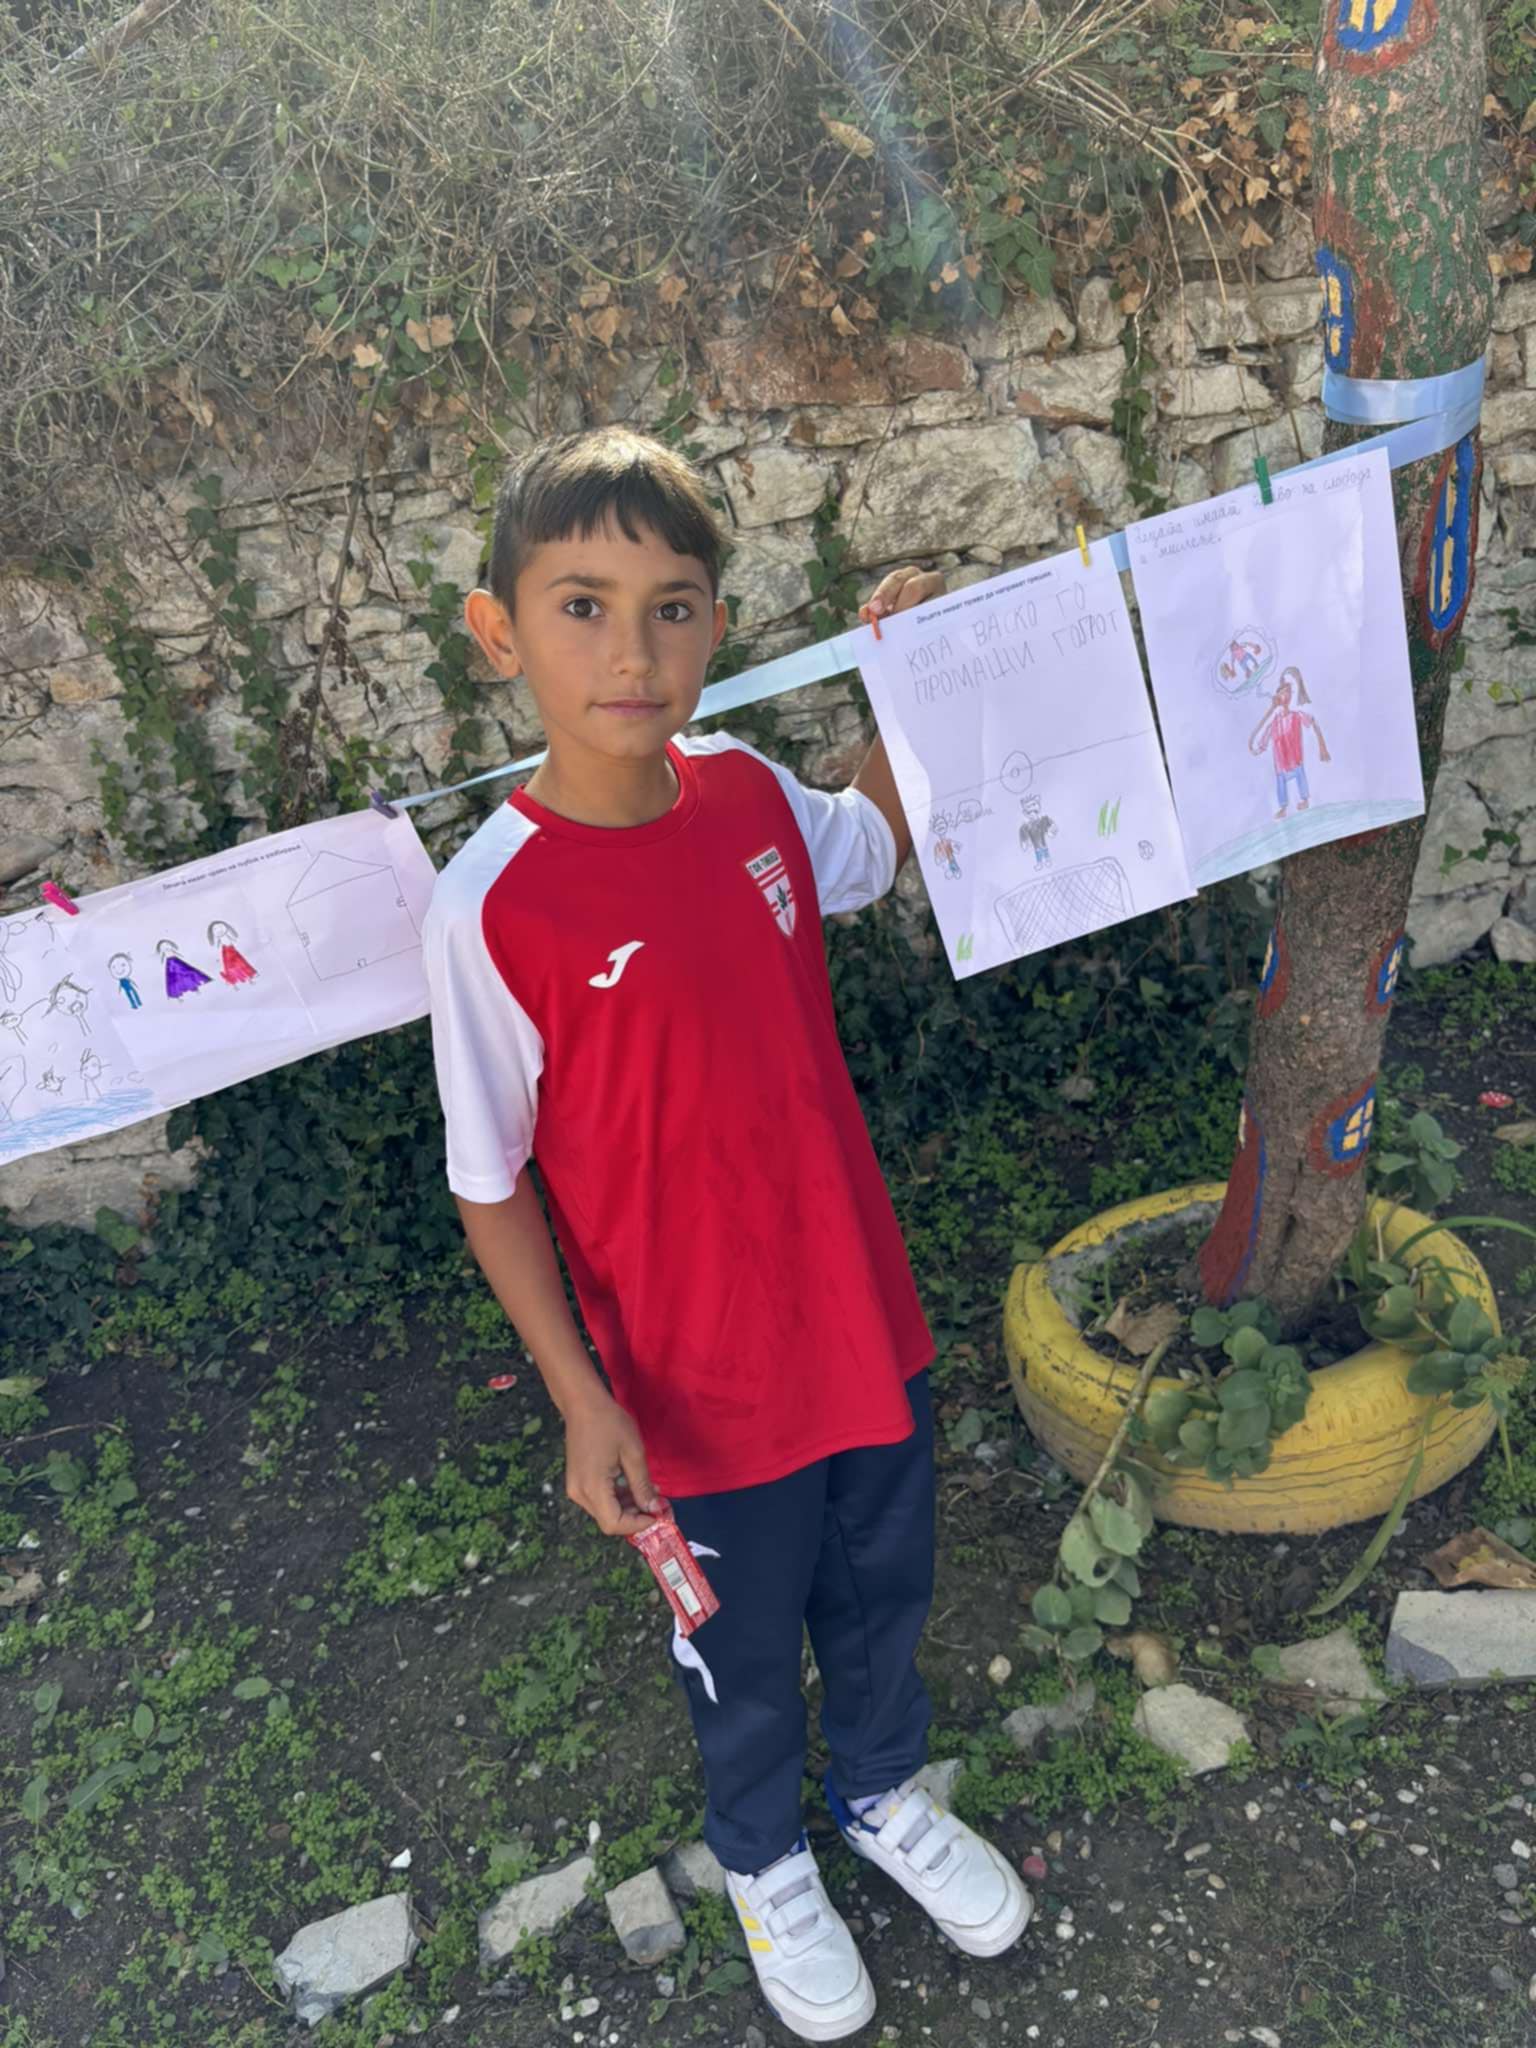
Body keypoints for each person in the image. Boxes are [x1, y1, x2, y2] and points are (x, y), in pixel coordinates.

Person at [422, 427, 1031, 2043]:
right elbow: (489, 1180)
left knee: (884, 1589)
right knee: (741, 1648)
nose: (632, 652)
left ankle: (884, 1793)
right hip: (693, 1392)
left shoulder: (752, 793)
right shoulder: (491, 904)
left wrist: (908, 679)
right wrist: (582, 1399)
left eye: (672, 607)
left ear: (715, 623)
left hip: (860, 1323)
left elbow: (871, 847)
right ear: (499, 632)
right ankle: (763, 1855)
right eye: (582, 605)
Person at [1248, 666, 1331, 820]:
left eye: (1288, 692)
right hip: (1281, 763)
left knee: (1300, 775)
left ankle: (1304, 799)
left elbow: (1313, 722)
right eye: (1282, 692)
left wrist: (1322, 746)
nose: (1285, 695)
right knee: (1281, 782)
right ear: (1277, 696)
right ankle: (1283, 807)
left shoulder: (1296, 715)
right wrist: (1259, 748)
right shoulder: (1275, 720)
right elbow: (1265, 736)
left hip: (1295, 759)